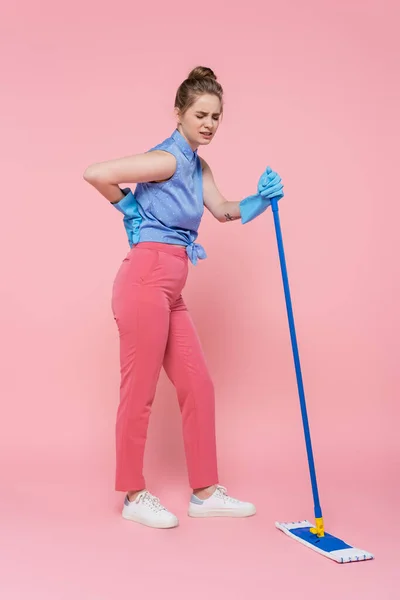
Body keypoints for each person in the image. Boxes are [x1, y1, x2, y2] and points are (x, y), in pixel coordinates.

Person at [83, 66, 284, 529]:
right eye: (200, 114)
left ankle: (205, 492)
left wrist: (262, 199)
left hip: (171, 290)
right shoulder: (168, 159)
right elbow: (97, 173)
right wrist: (128, 207)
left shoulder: (199, 166)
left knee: (199, 385)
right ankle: (134, 495)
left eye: (216, 116)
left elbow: (223, 210)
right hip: (145, 282)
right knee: (140, 390)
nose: (209, 123)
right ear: (179, 114)